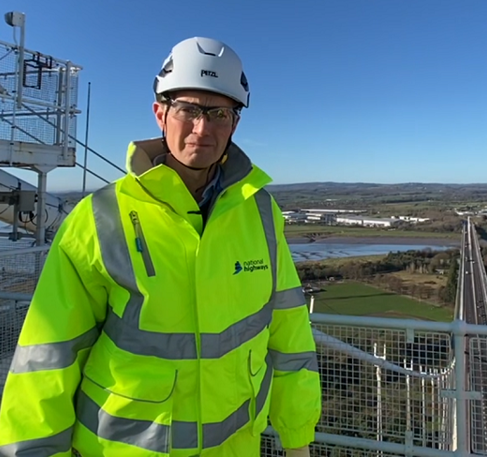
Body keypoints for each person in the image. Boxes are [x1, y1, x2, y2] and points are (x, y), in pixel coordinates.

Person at [0, 38, 321, 457]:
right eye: (189, 109)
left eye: (219, 113)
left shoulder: (260, 212)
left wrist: (298, 438)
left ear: (234, 124)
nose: (202, 129)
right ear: (160, 114)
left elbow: (289, 335)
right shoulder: (99, 219)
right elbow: (46, 359)